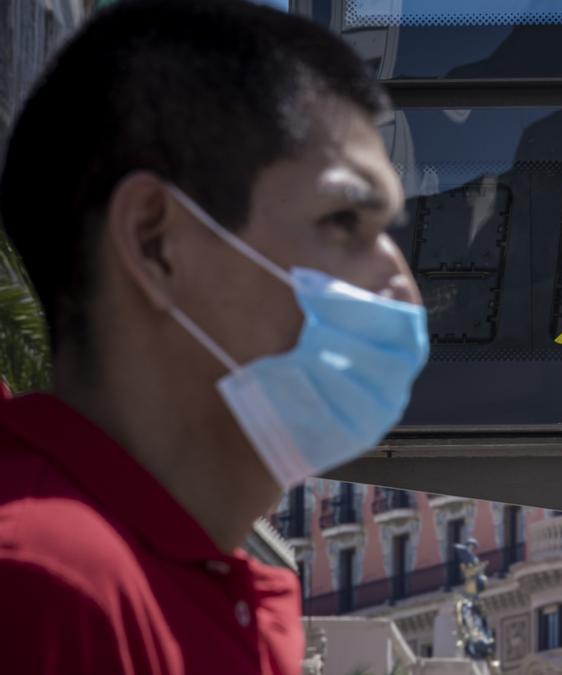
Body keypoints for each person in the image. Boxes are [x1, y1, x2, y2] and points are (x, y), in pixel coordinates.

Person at [0, 1, 428, 673]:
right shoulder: (44, 594)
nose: (399, 283)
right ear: (156, 241)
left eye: (389, 233)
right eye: (343, 218)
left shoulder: (232, 611)